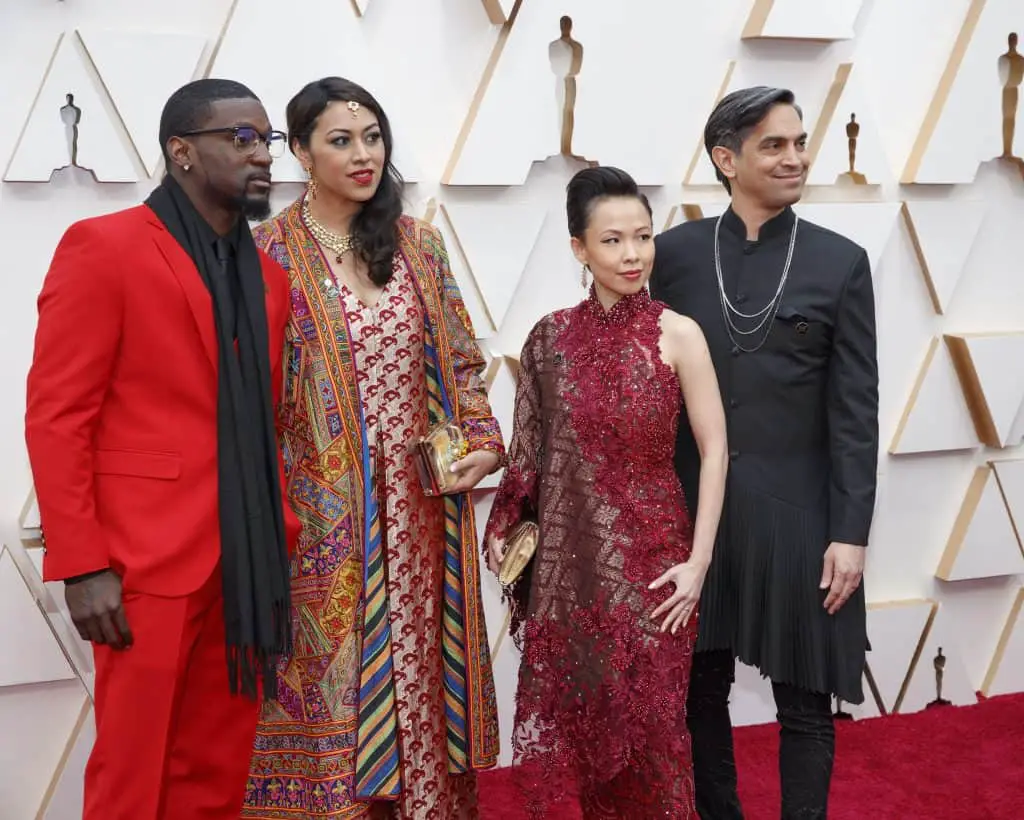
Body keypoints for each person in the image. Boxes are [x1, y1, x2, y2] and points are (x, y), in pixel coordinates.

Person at [24, 78, 298, 819]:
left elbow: (262, 421)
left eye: (265, 140)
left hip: (243, 565)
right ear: (182, 152)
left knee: (214, 772)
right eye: (239, 138)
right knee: (134, 774)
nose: (261, 155)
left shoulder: (267, 280)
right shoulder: (103, 248)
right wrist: (82, 563)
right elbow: (57, 417)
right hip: (141, 564)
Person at [241, 77, 505, 819]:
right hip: (318, 520)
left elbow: (460, 363)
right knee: (334, 681)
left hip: (424, 510)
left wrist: (481, 443)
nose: (363, 156)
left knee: (420, 672)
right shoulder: (268, 254)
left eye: (373, 138)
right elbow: (244, 397)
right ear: (298, 150)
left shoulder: (417, 243)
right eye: (340, 140)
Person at [649, 86, 879, 819]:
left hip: (801, 513)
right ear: (726, 158)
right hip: (698, 514)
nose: (795, 157)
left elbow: (855, 412)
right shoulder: (674, 256)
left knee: (807, 704)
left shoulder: (841, 263)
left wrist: (850, 532)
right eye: (774, 145)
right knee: (697, 694)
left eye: (800, 142)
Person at [484, 166, 729, 818]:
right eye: (614, 240)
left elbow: (715, 451)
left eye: (643, 238)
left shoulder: (679, 333)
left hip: (657, 565)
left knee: (653, 736)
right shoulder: (548, 340)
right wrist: (515, 543)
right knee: (593, 737)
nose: (632, 255)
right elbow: (528, 460)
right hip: (573, 574)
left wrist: (698, 562)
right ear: (579, 248)